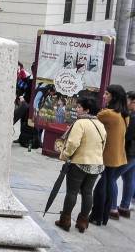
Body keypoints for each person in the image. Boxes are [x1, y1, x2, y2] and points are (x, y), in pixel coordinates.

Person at [55, 97, 106, 233]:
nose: (76, 109)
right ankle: (83, 221)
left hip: (79, 162)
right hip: (96, 164)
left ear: (87, 110)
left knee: (72, 192)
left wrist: (65, 155)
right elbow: (103, 144)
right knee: (87, 192)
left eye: (79, 107)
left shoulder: (80, 123)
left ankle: (65, 220)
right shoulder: (100, 124)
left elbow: (72, 143)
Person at [89, 85, 130, 226]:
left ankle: (97, 216)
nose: (104, 96)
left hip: (107, 155)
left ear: (114, 96)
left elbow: (91, 121)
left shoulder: (108, 114)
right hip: (117, 156)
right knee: (108, 184)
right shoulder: (124, 115)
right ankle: (103, 217)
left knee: (101, 187)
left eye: (107, 94)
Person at [109, 91, 135, 219]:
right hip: (133, 154)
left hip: (130, 152)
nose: (126, 103)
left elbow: (127, 135)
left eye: (127, 100)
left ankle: (113, 208)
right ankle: (124, 207)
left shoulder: (133, 116)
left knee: (112, 177)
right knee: (129, 178)